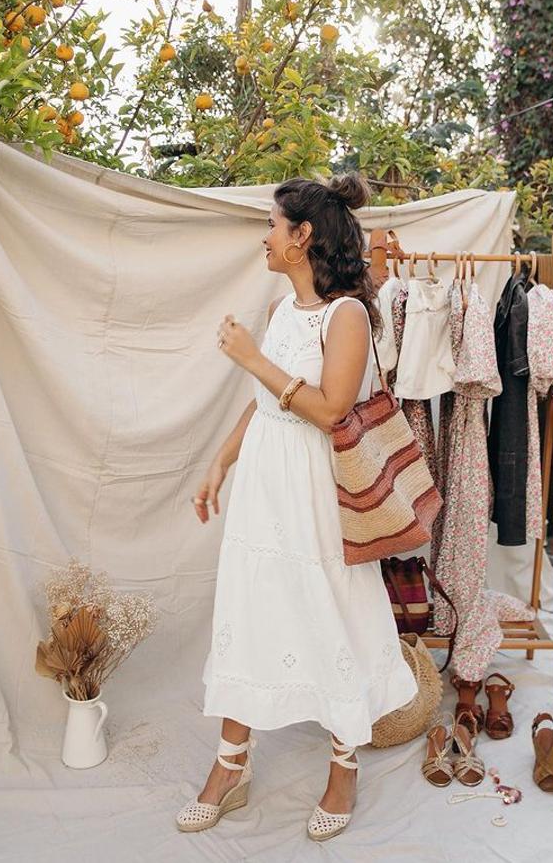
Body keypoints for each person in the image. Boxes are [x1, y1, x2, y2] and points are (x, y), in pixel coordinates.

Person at [176, 173, 417, 841]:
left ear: (302, 236)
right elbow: (267, 407)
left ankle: (344, 767)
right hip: (265, 485)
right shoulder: (285, 312)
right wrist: (221, 460)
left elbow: (331, 408)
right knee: (250, 611)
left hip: (315, 491)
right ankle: (230, 767)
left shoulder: (348, 315)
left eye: (275, 226)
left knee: (328, 612)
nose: (267, 236)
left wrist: (253, 359)